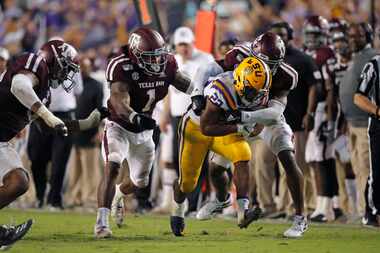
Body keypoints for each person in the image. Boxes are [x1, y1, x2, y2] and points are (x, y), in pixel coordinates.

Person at [196, 33, 307, 238]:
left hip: (264, 117)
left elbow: (275, 112)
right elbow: (209, 68)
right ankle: (221, 199)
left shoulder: (286, 75)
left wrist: (244, 116)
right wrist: (196, 94)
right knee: (216, 169)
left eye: (272, 64)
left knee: (287, 159)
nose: (266, 68)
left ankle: (300, 218)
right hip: (239, 115)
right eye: (262, 61)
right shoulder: (238, 55)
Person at [0, 39, 106, 250]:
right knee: (19, 181)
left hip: (2, 141)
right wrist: (48, 116)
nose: (68, 74)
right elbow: (19, 86)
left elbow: (50, 126)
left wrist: (88, 123)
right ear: (54, 60)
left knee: (18, 181)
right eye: (67, 67)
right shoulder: (33, 61)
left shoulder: (44, 93)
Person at [95, 27, 192, 238]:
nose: (157, 62)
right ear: (136, 53)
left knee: (140, 183)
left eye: (158, 56)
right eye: (151, 57)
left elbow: (184, 83)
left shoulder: (167, 62)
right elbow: (118, 100)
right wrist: (134, 117)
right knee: (112, 164)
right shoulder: (121, 65)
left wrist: (202, 94)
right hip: (119, 126)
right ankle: (101, 224)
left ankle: (118, 195)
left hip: (145, 131)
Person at [170, 56, 271, 237]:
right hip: (197, 129)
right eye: (251, 92)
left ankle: (242, 211)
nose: (255, 96)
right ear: (239, 81)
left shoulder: (259, 91)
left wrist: (252, 129)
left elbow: (260, 124)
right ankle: (177, 208)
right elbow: (207, 127)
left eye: (258, 92)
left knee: (243, 153)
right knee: (188, 183)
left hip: (226, 129)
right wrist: (241, 126)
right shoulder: (222, 88)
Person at [154, 26, 214, 214]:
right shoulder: (172, 60)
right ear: (176, 46)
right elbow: (168, 91)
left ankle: (195, 202)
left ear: (192, 43)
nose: (184, 49)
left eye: (186, 45)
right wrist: (164, 114)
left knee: (199, 159)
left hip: (198, 115)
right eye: (181, 45)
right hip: (176, 116)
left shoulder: (206, 59)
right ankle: (182, 202)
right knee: (177, 158)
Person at [339, 22, 378, 219]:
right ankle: (363, 210)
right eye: (351, 36)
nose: (353, 40)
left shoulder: (372, 57)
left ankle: (368, 212)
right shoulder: (356, 57)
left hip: (366, 122)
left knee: (366, 168)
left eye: (358, 36)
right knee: (358, 167)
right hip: (352, 122)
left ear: (369, 37)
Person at [66, 57, 104, 208]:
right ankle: (75, 198)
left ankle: (91, 199)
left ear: (90, 68)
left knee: (91, 170)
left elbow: (100, 109)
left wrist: (99, 130)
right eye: (80, 67)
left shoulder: (96, 86)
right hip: (75, 132)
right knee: (75, 170)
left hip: (90, 132)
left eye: (86, 67)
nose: (83, 69)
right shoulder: (71, 85)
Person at [354, 54, 380, 227]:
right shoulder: (375, 64)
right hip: (379, 125)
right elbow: (358, 97)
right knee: (377, 171)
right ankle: (373, 212)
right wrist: (378, 111)